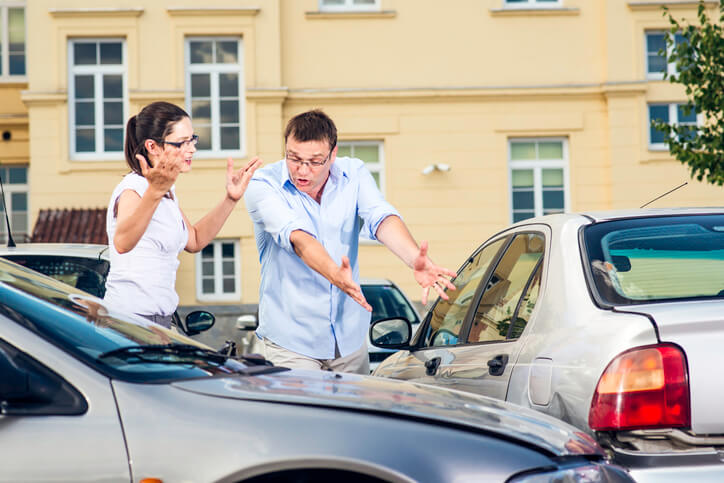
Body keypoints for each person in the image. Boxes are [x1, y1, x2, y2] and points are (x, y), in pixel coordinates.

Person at [244, 109, 455, 373]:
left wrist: (414, 259)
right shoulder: (263, 184)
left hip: (348, 341)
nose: (302, 170)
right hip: (291, 343)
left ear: (333, 155)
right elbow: (297, 237)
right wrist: (334, 274)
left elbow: (379, 216)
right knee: (303, 414)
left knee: (353, 414)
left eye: (315, 161)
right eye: (294, 158)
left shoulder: (353, 173)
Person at [103, 101, 260, 328]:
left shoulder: (166, 192)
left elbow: (194, 240)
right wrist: (155, 192)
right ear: (153, 147)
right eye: (182, 143)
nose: (191, 149)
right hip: (129, 320)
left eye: (192, 139)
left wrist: (231, 199)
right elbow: (122, 243)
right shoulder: (133, 189)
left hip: (160, 321)